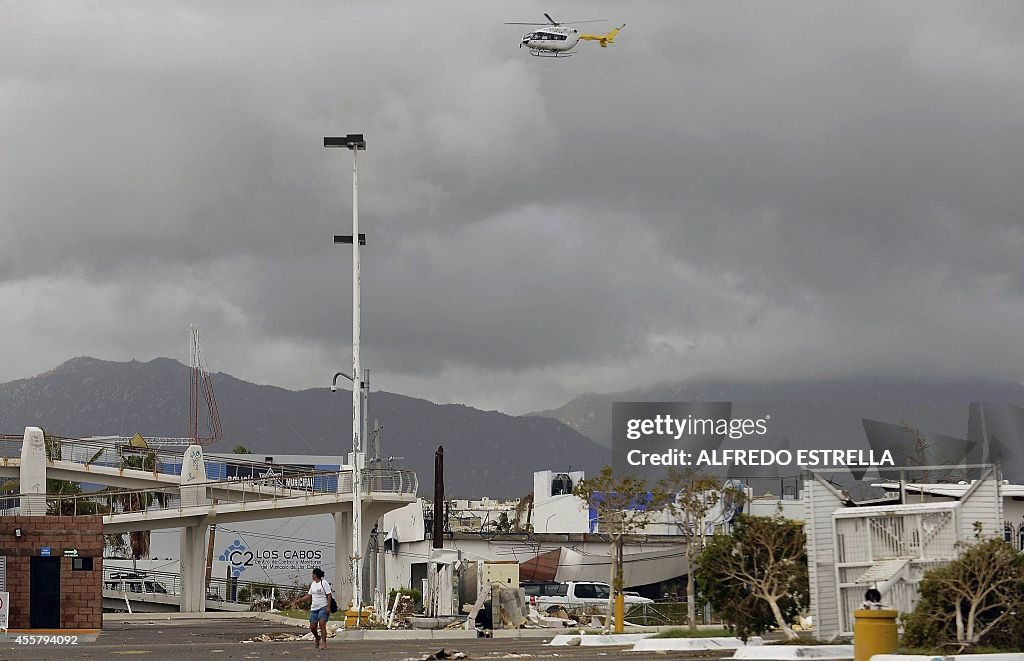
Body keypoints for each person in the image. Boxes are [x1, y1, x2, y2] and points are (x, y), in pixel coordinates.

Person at [290, 567, 332, 650]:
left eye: (312, 574)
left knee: (322, 624)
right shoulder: (313, 584)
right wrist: (300, 600)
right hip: (314, 608)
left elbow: (329, 595)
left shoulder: (324, 583)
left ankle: (323, 642)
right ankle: (317, 637)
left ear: (315, 575)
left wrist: (328, 606)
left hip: (323, 607)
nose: (312, 575)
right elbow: (309, 595)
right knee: (313, 627)